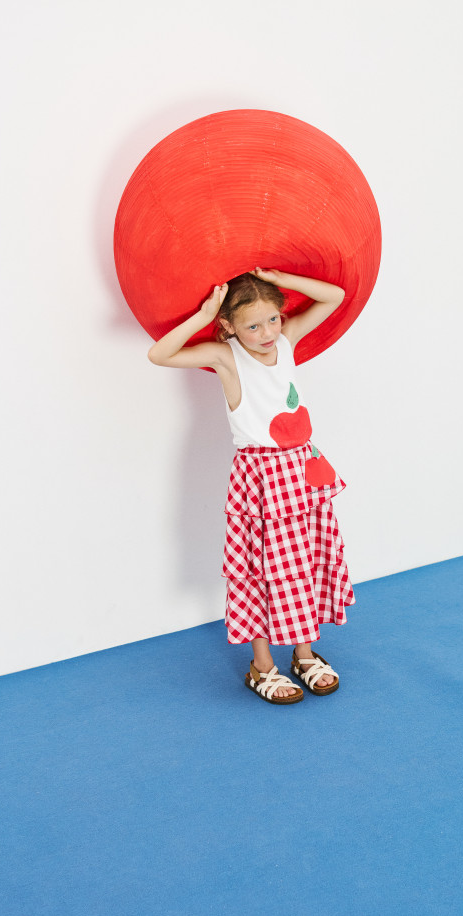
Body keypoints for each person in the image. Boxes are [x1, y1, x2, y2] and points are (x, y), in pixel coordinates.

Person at [148, 268, 355, 704]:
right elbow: (159, 354)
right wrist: (204, 315)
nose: (267, 333)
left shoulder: (286, 340)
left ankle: (304, 654)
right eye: (253, 326)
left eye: (272, 319)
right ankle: (262, 666)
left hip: (302, 469)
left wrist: (280, 278)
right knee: (260, 568)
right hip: (261, 477)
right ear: (228, 326)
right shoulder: (227, 357)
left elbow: (334, 296)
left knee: (302, 562)